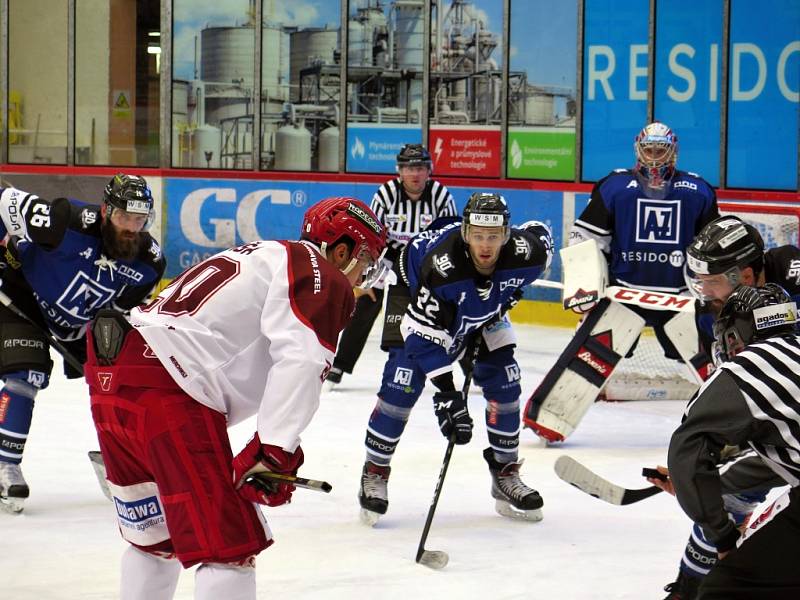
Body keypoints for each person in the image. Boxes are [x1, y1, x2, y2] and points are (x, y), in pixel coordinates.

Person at [85, 197, 385, 599]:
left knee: (154, 541)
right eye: (366, 262)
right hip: (168, 392)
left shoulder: (265, 254)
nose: (365, 277)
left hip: (115, 379)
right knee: (229, 548)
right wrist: (275, 449)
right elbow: (303, 358)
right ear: (342, 250)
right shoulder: (322, 274)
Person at [357, 192, 554, 525]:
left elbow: (539, 235)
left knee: (506, 380)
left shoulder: (526, 255)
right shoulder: (440, 268)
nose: (485, 245)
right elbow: (421, 339)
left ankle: (505, 473)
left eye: (493, 236)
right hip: (418, 299)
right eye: (478, 236)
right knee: (401, 386)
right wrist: (448, 396)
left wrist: (513, 291)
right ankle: (375, 470)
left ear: (506, 234)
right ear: (465, 233)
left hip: (482, 311)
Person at [524, 121, 719, 441]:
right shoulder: (615, 187)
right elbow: (586, 239)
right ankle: (549, 419)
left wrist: (712, 293)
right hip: (625, 294)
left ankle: (741, 419)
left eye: (661, 149)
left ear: (674, 151)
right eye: (650, 149)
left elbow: (713, 246)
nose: (655, 157)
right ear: (638, 150)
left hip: (680, 297)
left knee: (713, 364)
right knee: (588, 360)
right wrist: (584, 287)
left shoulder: (697, 191)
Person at [648, 215, 800, 598]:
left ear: (744, 276)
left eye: (710, 280)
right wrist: (710, 459)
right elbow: (747, 409)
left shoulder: (793, 273)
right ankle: (690, 584)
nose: (702, 290)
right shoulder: (715, 311)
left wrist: (694, 467)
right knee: (724, 487)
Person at [0, 174, 166, 513]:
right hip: (24, 299)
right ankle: (6, 466)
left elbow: (119, 320)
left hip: (80, 325)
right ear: (106, 210)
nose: (132, 227)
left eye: (140, 219)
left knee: (125, 384)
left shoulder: (149, 263)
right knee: (26, 376)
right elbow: (2, 200)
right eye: (124, 217)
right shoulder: (65, 220)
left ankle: (121, 462)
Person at [325, 143, 457, 389]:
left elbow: (449, 238)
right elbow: (369, 236)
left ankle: (474, 368)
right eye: (409, 168)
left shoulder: (441, 195)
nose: (415, 174)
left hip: (426, 265)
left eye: (420, 168)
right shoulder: (385, 194)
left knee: (452, 309)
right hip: (387, 263)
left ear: (429, 171)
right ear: (399, 171)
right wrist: (364, 278)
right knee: (365, 304)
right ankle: (338, 366)